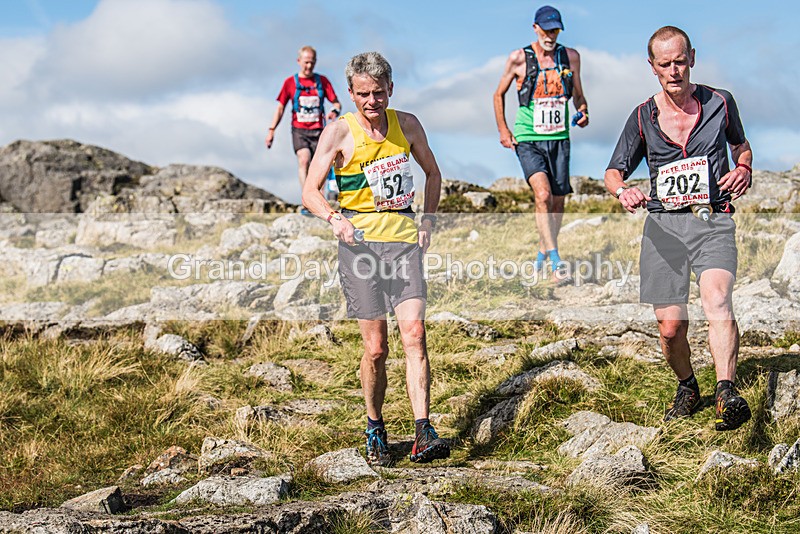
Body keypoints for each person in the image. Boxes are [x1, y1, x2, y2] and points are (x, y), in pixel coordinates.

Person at [302, 52, 449, 465]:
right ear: (350, 93)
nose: (372, 102)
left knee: (415, 335)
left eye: (379, 93)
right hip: (360, 251)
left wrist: (428, 221)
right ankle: (375, 427)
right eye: (363, 94)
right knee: (377, 348)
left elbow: (433, 174)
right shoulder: (338, 133)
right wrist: (334, 218)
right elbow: (310, 191)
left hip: (404, 245)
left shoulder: (408, 125)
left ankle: (423, 430)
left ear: (391, 90)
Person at [605, 26, 753, 431]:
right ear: (652, 68)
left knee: (717, 301)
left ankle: (726, 393)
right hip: (664, 231)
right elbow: (613, 172)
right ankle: (688, 386)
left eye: (681, 61)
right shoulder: (642, 116)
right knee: (671, 329)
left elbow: (740, 144)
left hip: (712, 220)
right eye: (665, 64)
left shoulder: (720, 102)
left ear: (693, 58)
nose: (675, 71)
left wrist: (744, 168)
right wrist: (624, 192)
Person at [493, 5, 588, 273]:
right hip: (528, 137)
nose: (550, 35)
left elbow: (579, 96)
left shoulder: (571, 57)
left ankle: (542, 250)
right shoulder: (518, 58)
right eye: (546, 29)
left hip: (559, 137)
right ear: (535, 28)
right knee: (543, 194)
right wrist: (503, 130)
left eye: (555, 29)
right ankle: (556, 259)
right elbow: (497, 94)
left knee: (557, 202)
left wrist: (583, 112)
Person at [266, 46, 342, 208]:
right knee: (304, 159)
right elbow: (280, 108)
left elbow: (336, 102)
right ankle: (308, 199)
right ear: (299, 61)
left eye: (312, 63)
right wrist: (271, 130)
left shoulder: (322, 82)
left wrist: (334, 110)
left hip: (319, 131)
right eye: (306, 62)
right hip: (299, 130)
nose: (309, 66)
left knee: (321, 166)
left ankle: (320, 201)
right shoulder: (290, 83)